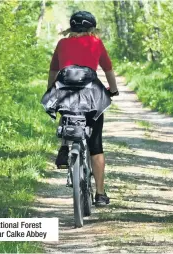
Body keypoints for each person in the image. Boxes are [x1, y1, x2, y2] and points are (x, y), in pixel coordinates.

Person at [47, 11, 119, 206]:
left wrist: (50, 90)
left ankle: (64, 146)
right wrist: (113, 90)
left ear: (72, 28)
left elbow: (54, 70)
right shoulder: (96, 43)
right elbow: (108, 70)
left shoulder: (62, 43)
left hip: (65, 93)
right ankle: (100, 194)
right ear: (91, 28)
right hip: (91, 95)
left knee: (67, 109)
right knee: (96, 145)